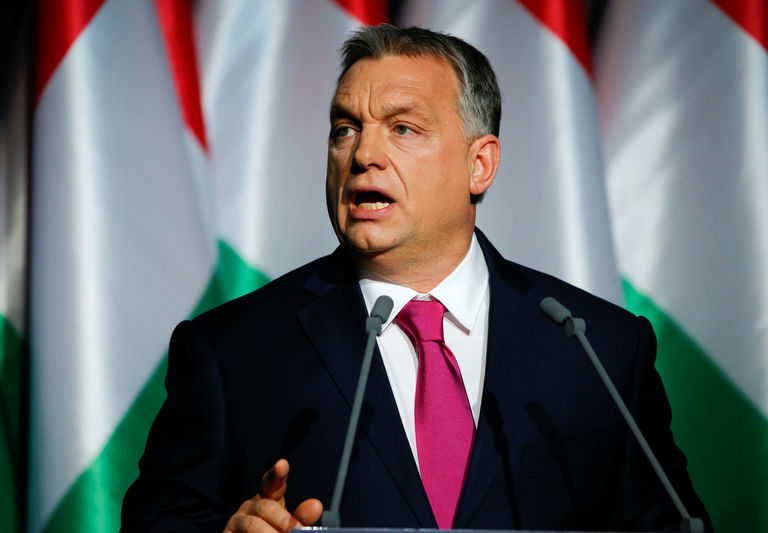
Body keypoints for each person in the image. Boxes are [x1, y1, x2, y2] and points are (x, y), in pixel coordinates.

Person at [121, 25, 710, 532]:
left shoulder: (598, 348)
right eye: (344, 128)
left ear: (479, 164)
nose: (362, 155)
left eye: (402, 129)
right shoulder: (231, 351)